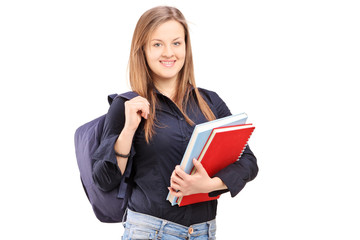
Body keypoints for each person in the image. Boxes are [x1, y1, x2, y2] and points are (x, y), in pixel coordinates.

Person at [92, 6, 258, 240]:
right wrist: (128, 130)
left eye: (176, 43)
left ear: (186, 48)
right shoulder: (127, 105)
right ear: (143, 50)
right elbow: (105, 180)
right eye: (157, 44)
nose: (168, 53)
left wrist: (207, 185)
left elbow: (248, 162)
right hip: (149, 232)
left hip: (204, 232)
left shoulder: (210, 102)